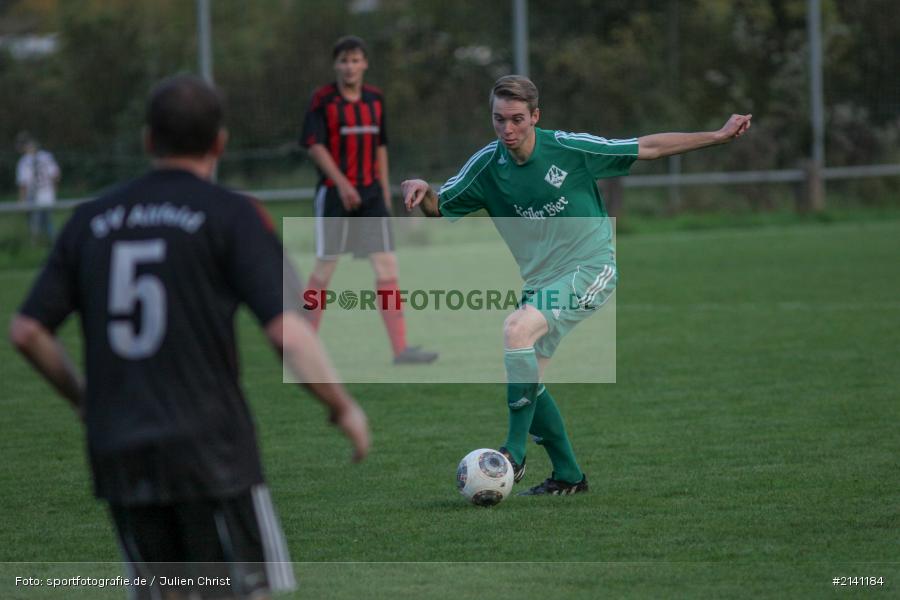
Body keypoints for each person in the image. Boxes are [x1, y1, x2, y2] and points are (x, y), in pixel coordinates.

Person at [9, 75, 370, 600]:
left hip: (120, 448)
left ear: (147, 140)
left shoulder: (89, 219)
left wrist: (86, 400)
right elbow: (288, 333)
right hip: (211, 449)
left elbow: (27, 331)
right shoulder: (232, 214)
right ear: (220, 143)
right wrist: (342, 405)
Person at [401, 75, 751, 496]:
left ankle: (513, 453)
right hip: (541, 281)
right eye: (498, 120)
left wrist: (717, 135)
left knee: (516, 330)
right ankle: (569, 475)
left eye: (516, 120)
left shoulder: (568, 149)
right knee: (529, 380)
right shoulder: (486, 166)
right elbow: (440, 205)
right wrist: (420, 191)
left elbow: (648, 147)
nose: (507, 130)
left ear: (535, 116)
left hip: (590, 267)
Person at [300, 35, 437, 364]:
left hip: (372, 195)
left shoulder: (375, 98)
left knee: (387, 265)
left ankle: (400, 349)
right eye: (344, 60)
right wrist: (343, 183)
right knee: (324, 269)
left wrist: (384, 191)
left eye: (355, 60)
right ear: (336, 64)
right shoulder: (323, 99)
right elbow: (314, 145)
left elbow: (380, 147)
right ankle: (301, 349)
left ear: (365, 64)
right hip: (335, 195)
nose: (350, 66)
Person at [15, 131, 60, 243]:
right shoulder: (46, 156)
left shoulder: (24, 161)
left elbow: (24, 184)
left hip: (33, 195)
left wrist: (21, 200)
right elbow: (56, 175)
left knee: (34, 222)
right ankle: (53, 241)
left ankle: (35, 243)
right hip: (48, 193)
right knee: (47, 220)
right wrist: (54, 190)